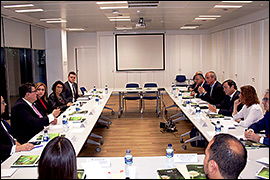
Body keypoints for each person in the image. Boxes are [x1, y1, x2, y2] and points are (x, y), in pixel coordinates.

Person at [1, 96, 34, 162]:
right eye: (3, 102)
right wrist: (17, 148)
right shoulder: (20, 105)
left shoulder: (2, 120)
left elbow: (8, 135)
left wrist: (15, 141)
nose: (5, 104)